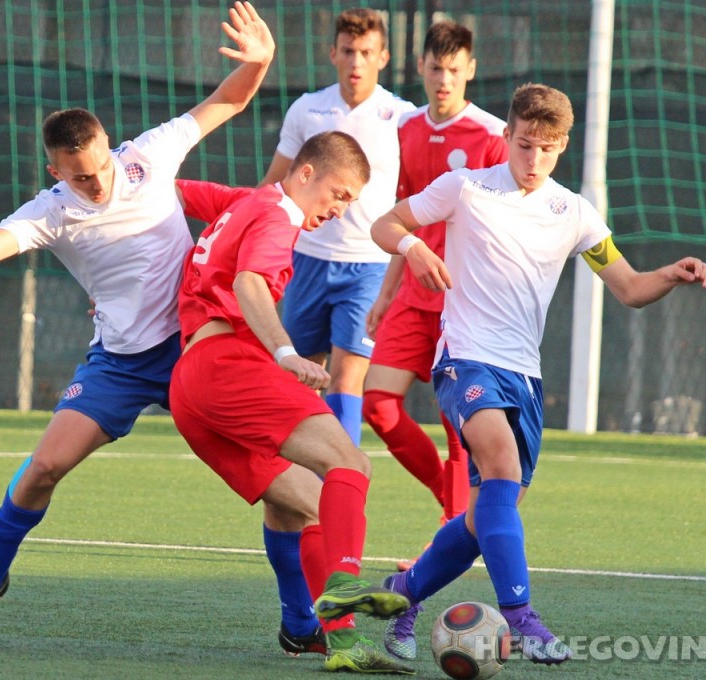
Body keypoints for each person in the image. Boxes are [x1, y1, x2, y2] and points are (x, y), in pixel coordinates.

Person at [0, 1, 276, 642]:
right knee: (43, 469)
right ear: (54, 171)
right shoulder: (50, 211)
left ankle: (302, 622)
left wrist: (261, 61)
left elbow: (227, 102)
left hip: (198, 348)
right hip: (120, 362)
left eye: (99, 168)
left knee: (276, 481)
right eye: (77, 178)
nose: (95, 185)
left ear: (111, 143)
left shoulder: (152, 155)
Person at [370, 82, 706, 664]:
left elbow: (628, 287)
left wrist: (671, 274)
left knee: (484, 519)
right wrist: (413, 247)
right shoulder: (466, 188)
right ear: (506, 136)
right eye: (524, 144)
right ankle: (524, 619)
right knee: (498, 465)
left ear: (562, 148)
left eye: (546, 149)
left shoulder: (573, 212)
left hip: (524, 378)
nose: (533, 160)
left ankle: (400, 596)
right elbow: (384, 224)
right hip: (465, 360)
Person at [170, 130, 413, 675]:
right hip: (227, 366)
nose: (340, 209)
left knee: (301, 505)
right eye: (339, 193)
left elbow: (169, 190)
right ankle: (346, 593)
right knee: (352, 463)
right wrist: (285, 352)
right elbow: (251, 280)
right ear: (305, 173)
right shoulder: (278, 215)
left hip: (189, 389)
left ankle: (330, 639)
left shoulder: (243, 201)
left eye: (351, 202)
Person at [360, 20, 508, 583]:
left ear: (469, 70)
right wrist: (387, 290)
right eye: (434, 68)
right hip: (413, 297)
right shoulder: (408, 129)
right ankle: (448, 504)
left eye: (454, 69)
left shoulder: (493, 136)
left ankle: (450, 531)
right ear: (419, 68)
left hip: (463, 304)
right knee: (379, 404)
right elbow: (406, 212)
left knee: (458, 429)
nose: (443, 78)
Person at [259, 8, 415, 446]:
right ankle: (302, 477)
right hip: (306, 260)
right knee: (300, 376)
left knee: (347, 379)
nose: (356, 62)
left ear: (383, 57)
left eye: (366, 52)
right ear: (332, 53)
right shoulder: (308, 109)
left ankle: (340, 482)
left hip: (368, 266)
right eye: (348, 51)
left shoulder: (402, 117)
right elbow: (275, 184)